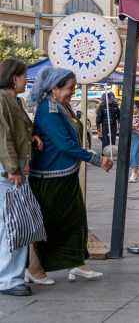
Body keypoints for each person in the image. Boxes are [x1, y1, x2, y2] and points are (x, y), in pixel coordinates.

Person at [27, 67, 112, 284]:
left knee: (73, 219)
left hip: (63, 173)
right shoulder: (49, 109)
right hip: (50, 176)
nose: (72, 92)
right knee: (50, 223)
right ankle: (34, 268)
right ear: (54, 88)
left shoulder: (60, 106)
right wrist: (97, 159)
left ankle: (76, 263)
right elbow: (65, 144)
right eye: (70, 88)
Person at [0, 59, 43, 295]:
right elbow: (3, 137)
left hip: (12, 168)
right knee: (11, 225)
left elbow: (17, 130)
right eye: (24, 76)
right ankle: (8, 280)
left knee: (12, 223)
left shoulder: (13, 100)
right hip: (8, 170)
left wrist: (33, 135)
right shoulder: (2, 100)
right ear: (13, 77)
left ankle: (11, 276)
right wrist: (13, 168)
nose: (26, 79)